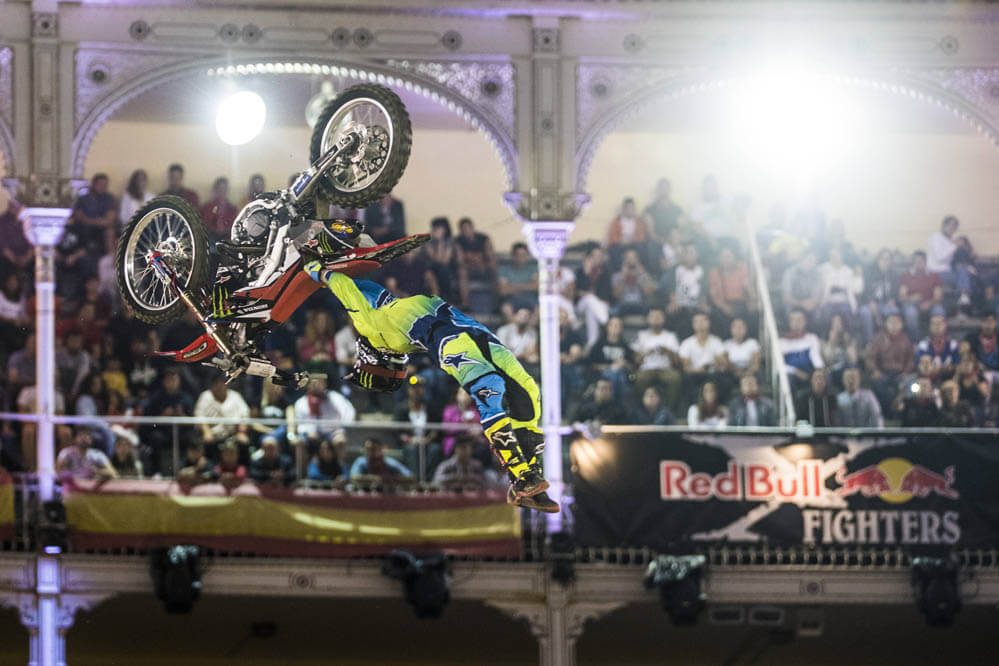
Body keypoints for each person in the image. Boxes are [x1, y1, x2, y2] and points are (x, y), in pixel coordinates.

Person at [304, 260, 558, 512]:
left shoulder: (378, 317)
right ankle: (522, 476)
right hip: (451, 342)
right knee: (491, 391)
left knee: (528, 392)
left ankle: (530, 480)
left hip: (470, 331)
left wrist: (327, 275)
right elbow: (346, 287)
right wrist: (319, 272)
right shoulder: (371, 326)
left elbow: (359, 288)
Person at [631, 308, 682, 410]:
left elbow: (677, 362)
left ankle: (668, 409)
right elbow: (635, 360)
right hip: (646, 369)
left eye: (658, 317)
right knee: (638, 378)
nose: (655, 319)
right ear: (648, 319)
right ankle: (641, 409)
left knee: (675, 378)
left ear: (663, 319)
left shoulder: (670, 336)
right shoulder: (641, 335)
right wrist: (647, 353)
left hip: (665, 369)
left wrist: (668, 352)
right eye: (653, 316)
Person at [866, 313, 915, 412]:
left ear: (901, 325)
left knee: (909, 383)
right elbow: (870, 358)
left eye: (897, 323)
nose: (894, 325)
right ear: (886, 324)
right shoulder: (879, 339)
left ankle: (903, 412)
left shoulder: (906, 340)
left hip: (901, 373)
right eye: (891, 322)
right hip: (883, 372)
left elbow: (911, 359)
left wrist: (906, 372)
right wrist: (875, 370)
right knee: (878, 383)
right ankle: (885, 411)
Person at [193, 374, 251, 454]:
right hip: (213, 436)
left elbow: (244, 415)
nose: (219, 386)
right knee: (206, 444)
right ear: (212, 385)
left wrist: (241, 432)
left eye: (222, 383)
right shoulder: (205, 396)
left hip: (233, 435)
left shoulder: (235, 396)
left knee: (244, 444)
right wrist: (206, 431)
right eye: (216, 383)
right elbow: (199, 415)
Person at [293, 375, 356, 445]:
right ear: (308, 385)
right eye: (313, 383)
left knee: (340, 440)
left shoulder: (335, 398)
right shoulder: (301, 402)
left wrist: (342, 429)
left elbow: (349, 414)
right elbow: (300, 423)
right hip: (309, 434)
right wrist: (309, 431)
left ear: (325, 384)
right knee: (299, 442)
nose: (316, 385)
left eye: (319, 382)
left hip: (332, 432)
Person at [663, 244, 709, 339]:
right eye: (687, 252)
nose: (689, 255)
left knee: (707, 313)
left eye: (691, 252)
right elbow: (672, 289)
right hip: (679, 305)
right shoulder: (675, 269)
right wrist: (673, 301)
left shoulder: (702, 270)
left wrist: (703, 303)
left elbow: (704, 290)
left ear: (697, 254)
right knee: (671, 314)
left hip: (697, 306)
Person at [455, 218, 498, 314]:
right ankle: (465, 304)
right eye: (463, 229)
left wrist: (480, 262)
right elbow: (460, 260)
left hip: (484, 268)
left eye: (468, 228)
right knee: (462, 271)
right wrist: (476, 260)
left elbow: (490, 257)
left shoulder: (484, 239)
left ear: (472, 228)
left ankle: (497, 303)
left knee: (494, 268)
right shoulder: (458, 241)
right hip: (468, 269)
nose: (466, 231)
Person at [927, 215, 972, 307]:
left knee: (969, 275)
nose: (952, 228)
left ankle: (963, 301)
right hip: (935, 272)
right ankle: (963, 298)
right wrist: (955, 246)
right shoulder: (936, 237)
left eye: (954, 226)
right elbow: (940, 257)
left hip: (947, 272)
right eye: (950, 225)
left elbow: (954, 260)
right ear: (943, 225)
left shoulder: (950, 241)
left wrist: (968, 267)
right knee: (964, 277)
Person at [899, 250, 945, 342]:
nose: (918, 264)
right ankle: (915, 342)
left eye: (921, 261)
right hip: (912, 304)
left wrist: (929, 303)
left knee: (939, 312)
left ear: (925, 262)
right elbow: (902, 297)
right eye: (916, 262)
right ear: (913, 263)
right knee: (911, 313)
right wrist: (911, 298)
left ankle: (936, 341)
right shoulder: (906, 276)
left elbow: (938, 296)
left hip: (931, 303)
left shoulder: (934, 275)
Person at [779, 309, 824, 393]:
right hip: (793, 374)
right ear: (789, 323)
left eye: (799, 319)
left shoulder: (812, 338)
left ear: (805, 322)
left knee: (822, 376)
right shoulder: (781, 342)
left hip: (809, 372)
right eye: (793, 320)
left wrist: (820, 370)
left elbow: (815, 356)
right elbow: (780, 365)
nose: (796, 323)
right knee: (789, 379)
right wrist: (795, 371)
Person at [498, 242, 538, 319]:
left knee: (539, 309)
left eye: (523, 255)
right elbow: (503, 290)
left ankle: (527, 327)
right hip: (511, 299)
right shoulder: (504, 269)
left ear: (527, 256)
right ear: (513, 256)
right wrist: (527, 286)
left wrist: (513, 286)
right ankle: (515, 326)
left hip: (531, 299)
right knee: (506, 309)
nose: (521, 258)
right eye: (518, 255)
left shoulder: (533, 268)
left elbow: (536, 286)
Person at [199, 176, 238, 243]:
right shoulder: (207, 207)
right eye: (220, 189)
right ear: (215, 190)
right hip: (211, 237)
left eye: (224, 189)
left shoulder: (232, 209)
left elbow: (234, 226)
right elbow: (205, 224)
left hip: (227, 237)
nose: (222, 191)